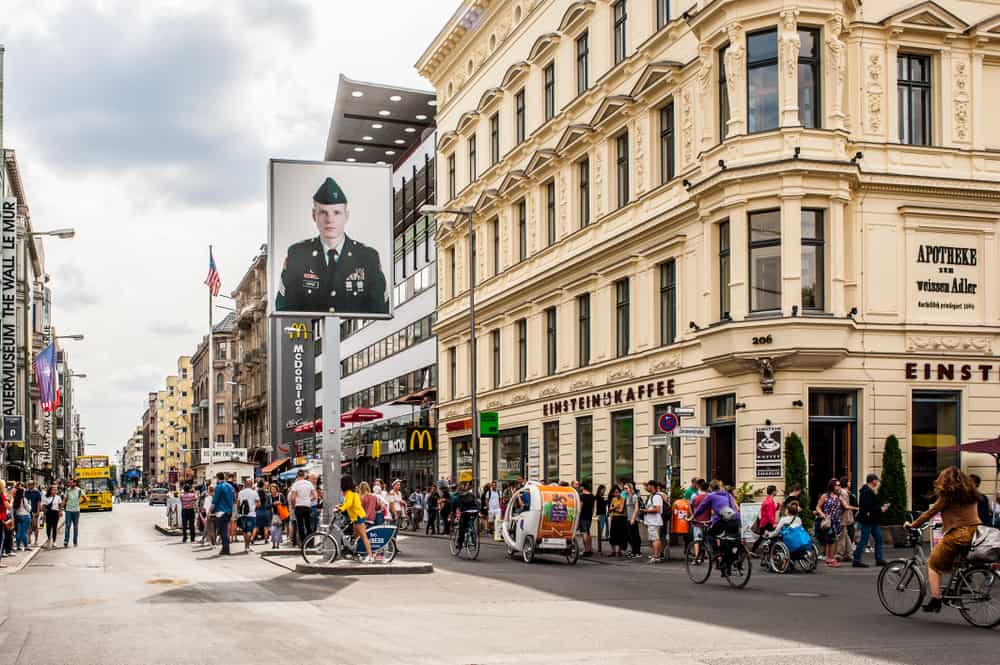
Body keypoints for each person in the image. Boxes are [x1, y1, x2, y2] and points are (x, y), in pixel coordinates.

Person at [275, 176, 388, 314]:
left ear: (346, 216)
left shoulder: (367, 257)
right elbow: (284, 309)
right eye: (323, 212)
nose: (330, 219)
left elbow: (381, 309)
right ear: (313, 215)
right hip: (311, 334)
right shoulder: (298, 255)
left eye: (336, 213)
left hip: (354, 334)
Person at [907, 466, 982, 613]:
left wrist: (913, 524)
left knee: (933, 565)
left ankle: (935, 600)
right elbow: (963, 513)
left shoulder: (949, 495)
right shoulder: (972, 493)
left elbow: (931, 512)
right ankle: (962, 583)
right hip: (974, 532)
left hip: (958, 534)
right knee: (957, 561)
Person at [852, 473, 889, 568]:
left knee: (879, 539)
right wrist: (880, 509)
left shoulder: (868, 491)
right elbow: (867, 506)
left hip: (872, 520)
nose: (877, 482)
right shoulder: (867, 492)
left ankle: (879, 559)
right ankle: (856, 560)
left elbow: (868, 506)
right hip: (868, 521)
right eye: (876, 480)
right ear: (873, 481)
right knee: (864, 540)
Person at [814, 478, 850, 567]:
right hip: (828, 521)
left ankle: (830, 558)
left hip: (836, 521)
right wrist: (822, 514)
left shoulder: (839, 497)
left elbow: (846, 506)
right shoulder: (825, 496)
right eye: (836, 485)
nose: (838, 487)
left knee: (833, 540)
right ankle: (830, 559)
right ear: (832, 486)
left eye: (839, 485)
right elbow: (818, 507)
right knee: (830, 540)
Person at [339, 477, 373, 562]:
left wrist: (341, 509)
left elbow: (348, 504)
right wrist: (340, 507)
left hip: (358, 517)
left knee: (363, 536)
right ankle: (356, 553)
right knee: (356, 536)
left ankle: (370, 556)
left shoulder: (350, 493)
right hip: (355, 517)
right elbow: (347, 504)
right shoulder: (351, 493)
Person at [289, 470, 316, 547]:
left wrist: (293, 506)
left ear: (297, 476)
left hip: (298, 507)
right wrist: (308, 500)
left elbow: (293, 498)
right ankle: (310, 543)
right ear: (304, 476)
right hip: (307, 506)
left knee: (300, 525)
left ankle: (304, 543)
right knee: (308, 525)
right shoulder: (309, 483)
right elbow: (315, 496)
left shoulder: (295, 484)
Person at [212, 472, 235, 556]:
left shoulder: (219, 487)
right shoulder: (230, 486)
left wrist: (210, 511)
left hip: (221, 511)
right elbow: (234, 498)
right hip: (229, 511)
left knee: (223, 530)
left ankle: (226, 548)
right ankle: (225, 548)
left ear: (218, 478)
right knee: (225, 529)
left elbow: (215, 501)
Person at [752, 485, 779, 555]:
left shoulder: (768, 500)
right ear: (773, 492)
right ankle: (771, 553)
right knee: (773, 536)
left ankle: (753, 551)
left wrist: (778, 506)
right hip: (767, 523)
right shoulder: (769, 501)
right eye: (776, 490)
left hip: (765, 523)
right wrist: (773, 523)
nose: (777, 491)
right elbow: (770, 514)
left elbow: (771, 511)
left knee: (762, 538)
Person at [641, 480, 664, 563]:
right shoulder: (652, 495)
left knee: (655, 539)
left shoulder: (656, 497)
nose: (647, 487)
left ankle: (655, 556)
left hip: (654, 521)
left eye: (648, 486)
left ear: (652, 486)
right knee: (656, 539)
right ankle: (657, 556)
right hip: (652, 521)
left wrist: (645, 510)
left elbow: (657, 509)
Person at [454, 484, 479, 550]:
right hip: (475, 512)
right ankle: (472, 537)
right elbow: (476, 503)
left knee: (462, 527)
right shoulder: (471, 495)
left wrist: (455, 515)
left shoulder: (459, 497)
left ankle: (460, 543)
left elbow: (458, 507)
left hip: (466, 512)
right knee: (470, 524)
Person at [236, 482, 258, 553]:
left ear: (245, 485)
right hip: (251, 514)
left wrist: (238, 512)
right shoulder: (254, 493)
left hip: (243, 514)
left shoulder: (241, 492)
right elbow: (258, 503)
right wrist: (254, 507)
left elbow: (238, 503)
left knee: (244, 530)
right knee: (249, 531)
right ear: (251, 485)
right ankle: (248, 546)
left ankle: (246, 546)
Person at [63, 479, 86, 548]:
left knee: (75, 526)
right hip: (68, 510)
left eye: (71, 482)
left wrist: (79, 503)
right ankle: (66, 541)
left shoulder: (79, 490)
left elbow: (85, 499)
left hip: (76, 511)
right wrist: (60, 509)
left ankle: (75, 541)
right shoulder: (67, 490)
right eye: (69, 483)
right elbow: (64, 499)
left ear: (75, 483)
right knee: (67, 526)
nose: (70, 484)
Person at [607, 485, 627, 557]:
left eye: (618, 492)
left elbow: (621, 510)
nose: (616, 494)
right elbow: (610, 509)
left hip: (621, 518)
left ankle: (619, 551)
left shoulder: (623, 499)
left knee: (620, 535)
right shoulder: (613, 499)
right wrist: (616, 507)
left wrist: (613, 508)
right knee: (612, 534)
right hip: (614, 518)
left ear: (620, 492)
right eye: (615, 492)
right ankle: (613, 551)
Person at [577, 481, 595, 557]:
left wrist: (578, 516)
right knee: (588, 532)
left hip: (583, 516)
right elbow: (593, 508)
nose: (579, 488)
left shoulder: (582, 496)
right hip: (589, 516)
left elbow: (580, 507)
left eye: (580, 486)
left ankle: (586, 550)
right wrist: (591, 514)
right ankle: (590, 549)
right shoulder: (592, 496)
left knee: (584, 533)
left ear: (583, 487)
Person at [253, 480, 273, 546]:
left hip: (258, 511)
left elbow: (254, 503)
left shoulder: (255, 493)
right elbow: (270, 504)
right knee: (266, 527)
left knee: (256, 526)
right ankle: (266, 540)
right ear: (263, 485)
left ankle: (252, 539)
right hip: (265, 511)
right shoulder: (267, 493)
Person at [42, 484, 62, 549]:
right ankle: (49, 539)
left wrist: (60, 512)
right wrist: (44, 514)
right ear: (50, 490)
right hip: (49, 513)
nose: (55, 491)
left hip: (55, 513)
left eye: (56, 489)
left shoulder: (58, 497)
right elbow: (44, 507)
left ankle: (54, 541)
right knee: (48, 527)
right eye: (54, 489)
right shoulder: (46, 497)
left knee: (55, 527)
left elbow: (60, 505)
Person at [625, 483, 642, 559]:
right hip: (628, 518)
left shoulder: (634, 496)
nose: (625, 490)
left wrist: (633, 518)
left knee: (635, 536)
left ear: (630, 488)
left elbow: (636, 508)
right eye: (624, 488)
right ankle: (633, 551)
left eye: (626, 488)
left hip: (633, 519)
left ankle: (637, 552)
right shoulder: (628, 496)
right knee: (630, 536)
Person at [13, 484, 31, 551]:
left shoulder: (15, 499)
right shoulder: (24, 499)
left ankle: (18, 546)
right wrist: (30, 504)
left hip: (18, 516)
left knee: (19, 532)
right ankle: (26, 546)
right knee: (24, 532)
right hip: (25, 516)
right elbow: (29, 509)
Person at [25, 480, 41, 548]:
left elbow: (38, 502)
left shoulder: (37, 492)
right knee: (28, 526)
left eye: (31, 484)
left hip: (34, 511)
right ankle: (29, 540)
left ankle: (36, 540)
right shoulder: (26, 492)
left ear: (33, 485)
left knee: (35, 526)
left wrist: (38, 511)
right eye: (28, 484)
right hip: (28, 512)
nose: (29, 485)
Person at [594, 485, 608, 552]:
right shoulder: (598, 497)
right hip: (601, 514)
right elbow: (602, 505)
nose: (604, 491)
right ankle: (600, 545)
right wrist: (606, 501)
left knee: (606, 527)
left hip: (604, 514)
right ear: (600, 489)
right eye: (604, 490)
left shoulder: (600, 497)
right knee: (601, 528)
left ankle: (604, 538)